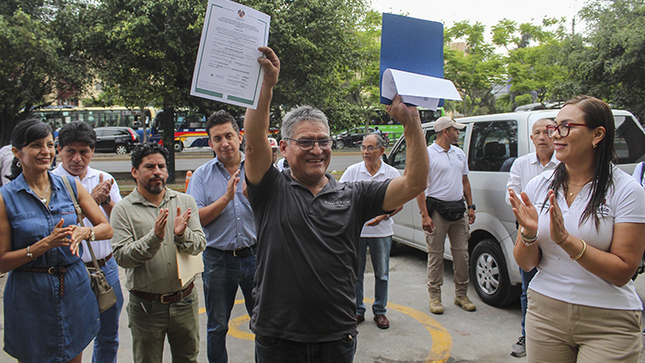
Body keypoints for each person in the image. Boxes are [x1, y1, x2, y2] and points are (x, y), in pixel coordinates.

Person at [243, 47, 428, 362]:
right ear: (284, 148)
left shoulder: (354, 195)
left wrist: (411, 122)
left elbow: (414, 182)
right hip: (278, 339)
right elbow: (255, 137)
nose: (317, 149)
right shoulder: (270, 189)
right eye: (306, 142)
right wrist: (266, 87)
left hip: (337, 338)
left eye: (324, 141)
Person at [510, 95, 645, 363]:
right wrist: (529, 234)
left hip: (608, 320)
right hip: (545, 312)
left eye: (566, 126)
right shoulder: (539, 185)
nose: (555, 135)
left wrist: (567, 242)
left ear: (597, 134)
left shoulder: (627, 190)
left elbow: (623, 271)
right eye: (554, 127)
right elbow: (526, 264)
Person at [0, 119, 113, 363]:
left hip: (73, 288)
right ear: (17, 152)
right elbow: (1, 262)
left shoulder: (71, 186)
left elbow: (106, 228)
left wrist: (85, 233)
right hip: (29, 293)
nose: (46, 151)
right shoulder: (5, 198)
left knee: (73, 353)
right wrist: (41, 246)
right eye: (36, 145)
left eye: (50, 144)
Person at [111, 143, 206, 363]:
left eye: (161, 166)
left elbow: (200, 245)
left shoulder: (184, 202)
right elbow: (122, 256)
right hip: (146, 307)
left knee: (188, 359)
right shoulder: (123, 209)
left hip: (184, 302)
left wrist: (181, 235)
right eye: (149, 166)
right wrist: (154, 237)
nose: (157, 171)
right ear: (135, 171)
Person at [186, 110, 256, 363]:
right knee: (217, 326)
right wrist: (226, 198)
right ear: (210, 142)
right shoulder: (202, 175)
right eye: (217, 138)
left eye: (228, 135)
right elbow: (196, 218)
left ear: (240, 136)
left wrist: (251, 196)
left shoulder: (258, 167)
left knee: (263, 324)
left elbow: (273, 209)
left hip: (255, 257)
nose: (224, 142)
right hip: (217, 260)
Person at [52, 121, 124, 363]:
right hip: (70, 271)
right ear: (59, 150)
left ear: (93, 151)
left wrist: (104, 202)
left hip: (106, 268)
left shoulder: (105, 179)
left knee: (108, 335)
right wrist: (88, 201)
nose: (77, 158)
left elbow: (120, 224)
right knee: (71, 336)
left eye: (84, 151)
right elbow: (52, 228)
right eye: (70, 151)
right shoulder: (51, 183)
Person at [505, 118, 558, 358]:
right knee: (529, 287)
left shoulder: (565, 164)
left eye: (548, 131)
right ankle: (528, 335)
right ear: (531, 138)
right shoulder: (522, 164)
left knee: (558, 282)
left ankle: (559, 335)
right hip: (529, 231)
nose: (542, 137)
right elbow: (511, 193)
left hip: (558, 233)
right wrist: (526, 209)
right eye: (537, 132)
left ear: (556, 134)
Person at [339, 133, 402, 329]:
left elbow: (399, 202)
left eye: (370, 148)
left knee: (382, 274)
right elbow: (339, 197)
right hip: (357, 233)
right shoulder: (352, 171)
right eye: (363, 147)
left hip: (382, 232)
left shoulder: (392, 174)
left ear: (382, 151)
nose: (365, 152)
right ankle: (358, 311)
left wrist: (383, 216)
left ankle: (380, 311)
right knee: (354, 275)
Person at [416, 116, 476, 315]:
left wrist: (471, 206)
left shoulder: (459, 153)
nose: (458, 133)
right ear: (445, 132)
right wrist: (425, 215)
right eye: (455, 130)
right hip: (437, 211)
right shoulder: (427, 154)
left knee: (461, 254)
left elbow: (465, 181)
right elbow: (420, 187)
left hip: (458, 210)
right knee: (436, 255)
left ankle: (461, 295)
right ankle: (435, 296)